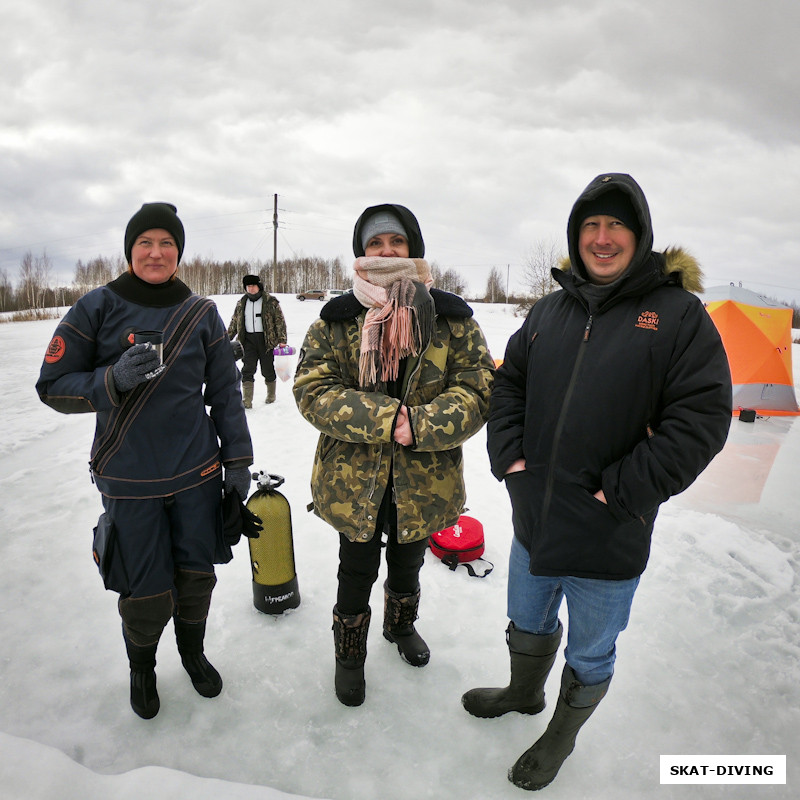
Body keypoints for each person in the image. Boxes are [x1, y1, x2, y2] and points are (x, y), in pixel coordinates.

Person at [462, 174, 732, 790]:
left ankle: (560, 735)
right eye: (591, 226)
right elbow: (509, 385)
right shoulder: (550, 311)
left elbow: (703, 418)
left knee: (589, 652)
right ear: (575, 235)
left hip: (610, 535)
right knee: (527, 623)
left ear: (639, 236)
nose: (602, 239)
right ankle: (524, 693)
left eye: (616, 226)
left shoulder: (679, 316)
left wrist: (623, 491)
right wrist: (511, 458)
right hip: (536, 520)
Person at [36, 202, 255, 720]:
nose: (156, 253)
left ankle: (193, 653)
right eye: (145, 243)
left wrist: (238, 466)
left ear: (179, 252)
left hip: (197, 473)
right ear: (130, 250)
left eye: (167, 244)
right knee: (144, 588)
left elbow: (225, 393)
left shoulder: (202, 313)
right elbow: (51, 387)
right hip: (127, 475)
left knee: (196, 576)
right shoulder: (97, 307)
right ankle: (142, 667)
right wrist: (110, 381)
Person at [293, 204, 495, 706]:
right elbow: (312, 389)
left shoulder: (452, 320)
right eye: (376, 244)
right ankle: (349, 655)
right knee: (355, 570)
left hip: (425, 478)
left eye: (397, 243)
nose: (386, 252)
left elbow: (480, 387)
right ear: (362, 252)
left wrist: (420, 424)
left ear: (413, 250)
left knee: (408, 563)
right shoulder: (336, 320)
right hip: (353, 480)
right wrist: (386, 419)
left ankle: (400, 628)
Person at [227, 274, 288, 407]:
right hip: (247, 340)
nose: (251, 289)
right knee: (247, 369)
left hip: (266, 341)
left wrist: (282, 339)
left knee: (267, 369)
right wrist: (227, 338)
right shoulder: (242, 303)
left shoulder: (270, 302)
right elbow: (235, 321)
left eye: (253, 286)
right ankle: (247, 400)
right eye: (248, 286)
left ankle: (271, 395)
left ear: (259, 286)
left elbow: (279, 321)